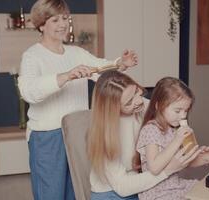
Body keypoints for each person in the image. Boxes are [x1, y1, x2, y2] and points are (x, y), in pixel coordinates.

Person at [17, 0, 138, 199]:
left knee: (78, 189)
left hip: (78, 132)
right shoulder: (32, 56)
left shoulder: (76, 53)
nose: (62, 24)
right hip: (48, 137)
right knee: (51, 194)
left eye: (65, 18)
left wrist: (120, 63)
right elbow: (29, 92)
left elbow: (100, 68)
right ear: (41, 25)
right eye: (55, 20)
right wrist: (66, 76)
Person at [87, 71, 202, 200]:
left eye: (136, 91)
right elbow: (123, 188)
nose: (138, 101)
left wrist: (201, 155)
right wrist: (168, 170)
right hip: (113, 194)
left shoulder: (142, 106)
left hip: (143, 184)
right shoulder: (106, 135)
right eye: (129, 102)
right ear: (113, 108)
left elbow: (169, 107)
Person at [136, 77, 209, 200]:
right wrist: (177, 140)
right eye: (177, 111)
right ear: (159, 106)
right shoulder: (150, 130)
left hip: (176, 186)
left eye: (186, 111)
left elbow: (186, 162)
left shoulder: (174, 128)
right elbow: (154, 167)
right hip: (158, 193)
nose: (183, 116)